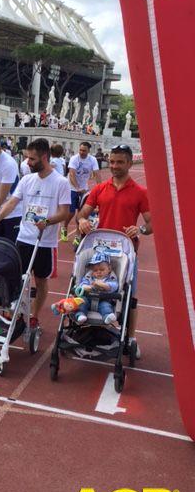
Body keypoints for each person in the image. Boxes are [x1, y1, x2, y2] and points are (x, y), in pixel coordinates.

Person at [77, 143, 152, 357]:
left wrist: (140, 229)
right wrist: (82, 221)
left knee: (129, 296)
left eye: (119, 162)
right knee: (91, 287)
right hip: (100, 252)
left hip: (126, 254)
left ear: (129, 163)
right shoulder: (100, 189)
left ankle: (130, 337)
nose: (114, 166)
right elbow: (82, 213)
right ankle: (90, 329)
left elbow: (151, 223)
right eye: (111, 161)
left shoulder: (140, 192)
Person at [0, 138, 71, 330]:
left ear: (44, 157)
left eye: (32, 159)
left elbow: (64, 212)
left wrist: (48, 221)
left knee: (40, 280)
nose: (28, 162)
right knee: (16, 277)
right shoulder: (26, 179)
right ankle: (13, 311)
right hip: (23, 238)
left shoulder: (61, 182)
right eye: (27, 158)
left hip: (45, 242)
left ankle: (34, 315)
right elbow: (12, 202)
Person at [60, 141, 101, 247]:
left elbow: (97, 175)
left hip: (84, 190)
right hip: (71, 188)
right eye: (80, 150)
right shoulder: (74, 159)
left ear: (89, 151)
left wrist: (100, 189)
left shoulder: (93, 160)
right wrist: (77, 188)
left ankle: (77, 236)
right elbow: (72, 174)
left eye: (84, 151)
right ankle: (64, 226)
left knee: (83, 214)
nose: (82, 152)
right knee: (71, 212)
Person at [74, 252, 118, 325]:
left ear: (109, 269)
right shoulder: (89, 277)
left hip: (103, 300)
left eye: (102, 269)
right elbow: (82, 284)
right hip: (88, 299)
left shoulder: (111, 278)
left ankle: (107, 316)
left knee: (106, 306)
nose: (98, 272)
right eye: (95, 270)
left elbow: (114, 286)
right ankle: (80, 314)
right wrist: (87, 287)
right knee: (81, 302)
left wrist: (102, 285)